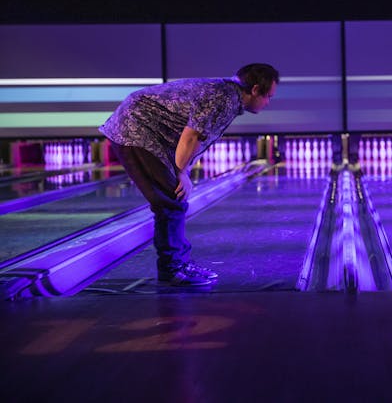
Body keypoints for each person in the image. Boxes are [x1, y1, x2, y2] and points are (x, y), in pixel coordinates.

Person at [99, 63, 279, 286]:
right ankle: (172, 269)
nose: (268, 102)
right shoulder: (224, 98)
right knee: (171, 199)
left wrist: (182, 170)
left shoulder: (227, 94)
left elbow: (196, 140)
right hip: (134, 129)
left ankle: (179, 263)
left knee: (173, 199)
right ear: (254, 90)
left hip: (144, 131)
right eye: (268, 96)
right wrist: (181, 173)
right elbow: (191, 136)